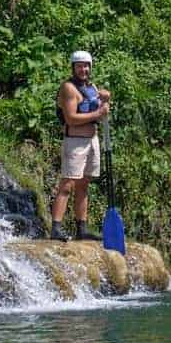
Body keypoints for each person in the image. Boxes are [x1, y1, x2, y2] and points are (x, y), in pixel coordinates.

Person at [51, 50, 111, 241]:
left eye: (86, 66)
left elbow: (99, 110)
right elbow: (71, 118)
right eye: (79, 66)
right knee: (67, 184)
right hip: (75, 143)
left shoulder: (92, 87)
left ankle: (82, 228)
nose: (83, 69)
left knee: (83, 185)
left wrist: (105, 101)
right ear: (73, 68)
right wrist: (98, 114)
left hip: (92, 141)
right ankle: (56, 228)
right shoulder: (68, 88)